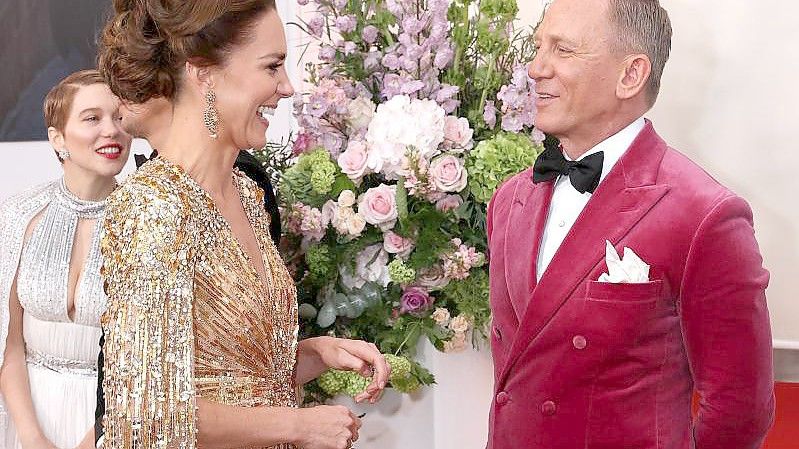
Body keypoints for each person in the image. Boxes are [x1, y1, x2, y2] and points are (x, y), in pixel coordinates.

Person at [96, 1, 389, 448]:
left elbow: (234, 376)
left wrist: (312, 355)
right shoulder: (154, 207)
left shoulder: (246, 196)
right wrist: (298, 426)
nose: (286, 87)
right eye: (272, 67)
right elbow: (145, 414)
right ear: (204, 73)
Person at [486, 1, 775, 448]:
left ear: (630, 75)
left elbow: (739, 409)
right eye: (537, 46)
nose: (536, 67)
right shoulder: (508, 199)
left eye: (562, 50)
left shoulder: (706, 215)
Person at [0, 69, 131, 449]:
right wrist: (30, 437)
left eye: (120, 117)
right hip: (26, 417)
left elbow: (149, 359)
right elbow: (9, 342)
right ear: (57, 138)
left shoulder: (145, 223)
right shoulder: (19, 215)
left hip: (114, 424)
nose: (112, 130)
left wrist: (95, 441)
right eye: (92, 118)